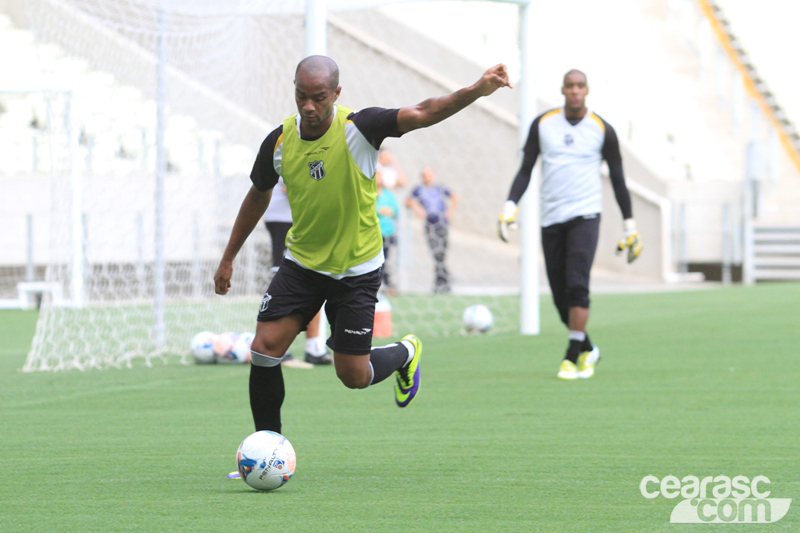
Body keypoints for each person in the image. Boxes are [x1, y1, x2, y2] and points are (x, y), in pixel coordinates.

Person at [214, 56, 511, 438]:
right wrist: (228, 258)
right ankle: (267, 447)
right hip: (303, 264)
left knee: (353, 375)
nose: (309, 106)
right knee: (264, 348)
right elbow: (258, 195)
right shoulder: (279, 141)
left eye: (319, 97)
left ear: (336, 93)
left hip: (357, 270)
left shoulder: (361, 128)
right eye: (301, 96)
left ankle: (405, 352)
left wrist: (477, 89)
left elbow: (423, 111)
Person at [497, 69, 642, 381]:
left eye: (580, 86)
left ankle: (571, 356)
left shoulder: (602, 129)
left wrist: (629, 224)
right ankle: (589, 347)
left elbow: (618, 180)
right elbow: (525, 170)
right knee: (560, 297)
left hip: (586, 216)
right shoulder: (543, 125)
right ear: (562, 90)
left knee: (577, 284)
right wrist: (510, 205)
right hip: (550, 218)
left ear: (587, 90)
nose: (575, 91)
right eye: (570, 86)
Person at [263, 176, 333, 367]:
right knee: (286, 279)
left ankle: (314, 348)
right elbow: (294, 185)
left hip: (300, 219)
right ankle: (280, 349)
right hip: (285, 219)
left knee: (316, 278)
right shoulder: (290, 148)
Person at [406, 167, 458, 293]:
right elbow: (408, 201)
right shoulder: (418, 189)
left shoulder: (440, 188)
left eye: (430, 175)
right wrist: (418, 209)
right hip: (430, 225)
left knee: (442, 254)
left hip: (442, 224)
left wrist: (450, 211)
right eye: (425, 175)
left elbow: (454, 197)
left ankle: (441, 282)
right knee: (436, 253)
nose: (428, 178)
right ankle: (444, 280)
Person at [375, 171, 399, 294]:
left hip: (387, 232)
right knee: (376, 261)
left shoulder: (388, 195)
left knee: (385, 260)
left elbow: (395, 210)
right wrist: (381, 210)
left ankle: (388, 285)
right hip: (374, 233)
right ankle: (379, 285)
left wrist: (385, 211)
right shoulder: (369, 194)